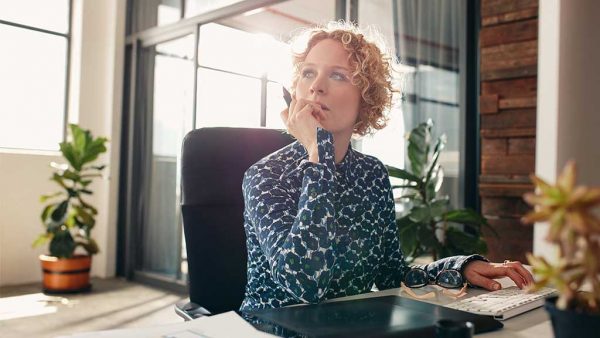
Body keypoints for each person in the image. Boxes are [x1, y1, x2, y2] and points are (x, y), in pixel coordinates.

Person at [239, 22, 534, 312]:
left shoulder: (371, 174)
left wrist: (461, 267)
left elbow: (390, 274)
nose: (316, 87)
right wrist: (318, 155)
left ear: (365, 99)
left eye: (338, 76)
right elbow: (304, 284)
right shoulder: (266, 175)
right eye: (308, 73)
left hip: (352, 328)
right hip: (271, 330)